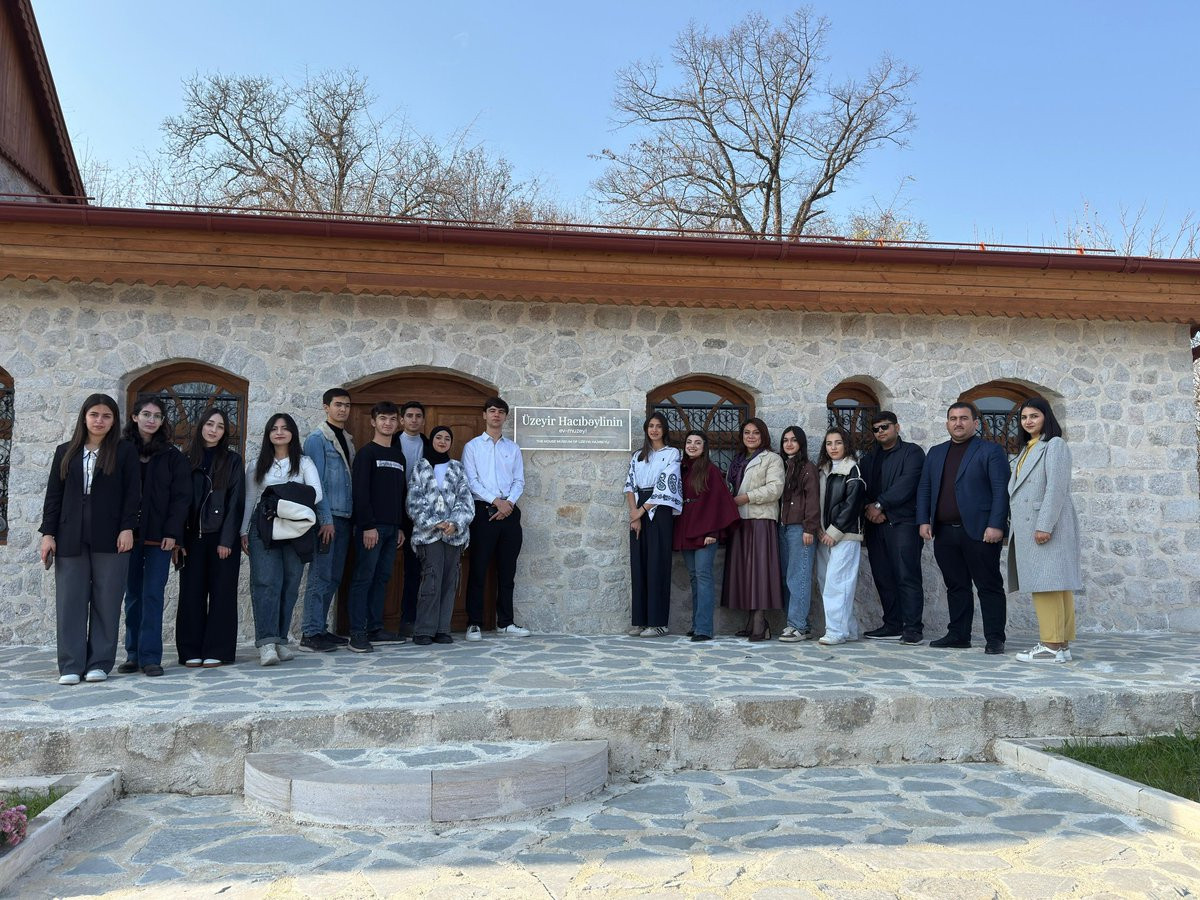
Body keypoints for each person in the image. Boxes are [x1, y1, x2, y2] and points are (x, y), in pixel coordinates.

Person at [40, 394, 140, 685]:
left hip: (111, 534)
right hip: (70, 534)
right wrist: (48, 534)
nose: (99, 421)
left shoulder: (124, 451)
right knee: (70, 600)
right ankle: (71, 664)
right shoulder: (65, 451)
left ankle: (99, 662)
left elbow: (133, 493)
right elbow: (53, 496)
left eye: (106, 416)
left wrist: (127, 528)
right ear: (84, 417)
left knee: (107, 599)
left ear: (114, 420)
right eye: (94, 414)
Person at [916, 402, 1010, 654]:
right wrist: (924, 520)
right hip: (944, 531)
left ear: (975, 423)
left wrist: (996, 525)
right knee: (956, 586)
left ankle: (995, 638)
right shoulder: (936, 452)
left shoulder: (991, 451)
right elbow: (925, 488)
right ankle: (959, 635)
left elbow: (1001, 491)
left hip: (981, 531)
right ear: (947, 423)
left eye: (964, 418)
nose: (958, 423)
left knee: (988, 586)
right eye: (953, 418)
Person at [241, 413, 323, 666]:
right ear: (268, 434)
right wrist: (243, 531)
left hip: (296, 528)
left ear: (292, 434)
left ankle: (280, 640)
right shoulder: (257, 465)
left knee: (290, 584)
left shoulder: (304, 463)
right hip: (263, 527)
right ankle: (266, 643)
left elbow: (317, 494)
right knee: (266, 582)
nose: (279, 432)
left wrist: (278, 496)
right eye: (274, 428)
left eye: (285, 428)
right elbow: (249, 498)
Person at [119, 395, 190, 677]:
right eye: (146, 414)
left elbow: (181, 499)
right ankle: (132, 654)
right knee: (132, 596)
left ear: (162, 421)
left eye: (157, 416)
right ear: (135, 417)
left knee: (152, 595)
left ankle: (150, 657)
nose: (151, 420)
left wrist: (173, 534)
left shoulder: (172, 456)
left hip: (160, 538)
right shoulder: (121, 451)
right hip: (127, 536)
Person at [1007, 397, 1082, 663]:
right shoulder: (1027, 449)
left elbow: (1056, 488)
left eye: (1034, 416)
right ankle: (1061, 646)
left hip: (1045, 527)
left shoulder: (1054, 445)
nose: (1028, 421)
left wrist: (1044, 525)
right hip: (1032, 527)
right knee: (1054, 584)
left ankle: (1050, 645)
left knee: (1047, 584)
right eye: (1024, 417)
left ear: (1046, 417)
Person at [176, 407, 245, 668]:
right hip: (191, 537)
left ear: (225, 432)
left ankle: (218, 649)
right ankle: (190, 649)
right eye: (210, 424)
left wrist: (227, 540)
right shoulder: (185, 459)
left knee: (222, 593)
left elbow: (236, 502)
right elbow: (178, 501)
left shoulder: (232, 460)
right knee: (191, 593)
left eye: (220, 426)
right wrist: (178, 540)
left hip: (221, 537)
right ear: (201, 426)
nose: (214, 430)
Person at [462, 396, 531, 641]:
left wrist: (508, 503)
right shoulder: (472, 447)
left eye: (501, 412)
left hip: (509, 512)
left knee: (507, 571)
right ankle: (474, 623)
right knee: (478, 569)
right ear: (484, 415)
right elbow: (471, 481)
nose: (496, 415)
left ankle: (505, 622)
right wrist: (495, 501)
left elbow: (519, 480)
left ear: (505, 417)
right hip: (484, 512)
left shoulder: (512, 448)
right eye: (492, 411)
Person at [859, 411, 927, 644]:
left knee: (907, 575)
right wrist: (870, 509)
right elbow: (862, 488)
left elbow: (907, 483)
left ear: (897, 427)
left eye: (885, 427)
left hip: (903, 523)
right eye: (876, 429)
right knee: (883, 576)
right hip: (875, 525)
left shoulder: (912, 452)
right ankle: (892, 624)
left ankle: (913, 628)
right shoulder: (869, 459)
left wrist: (881, 505)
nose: (880, 432)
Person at [346, 401, 408, 653]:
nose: (387, 423)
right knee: (363, 578)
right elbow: (360, 493)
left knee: (382, 578)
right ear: (373, 421)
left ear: (398, 422)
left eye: (392, 419)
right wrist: (367, 526)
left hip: (392, 529)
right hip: (371, 529)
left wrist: (400, 526)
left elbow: (400, 493)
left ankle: (375, 628)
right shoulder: (366, 453)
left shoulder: (398, 456)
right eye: (383, 418)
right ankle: (357, 633)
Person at [299, 388, 355, 653]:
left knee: (333, 577)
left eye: (346, 405)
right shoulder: (317, 439)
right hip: (327, 519)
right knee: (320, 575)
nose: (343, 409)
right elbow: (315, 484)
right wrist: (325, 520)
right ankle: (310, 633)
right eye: (338, 404)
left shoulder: (347, 439)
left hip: (344, 517)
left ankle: (320, 629)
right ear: (326, 407)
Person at [407, 426, 474, 646]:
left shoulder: (457, 468)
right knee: (432, 580)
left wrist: (455, 523)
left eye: (447, 438)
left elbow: (465, 499)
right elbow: (414, 500)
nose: (443, 441)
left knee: (449, 581)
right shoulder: (421, 467)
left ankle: (443, 629)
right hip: (429, 535)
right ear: (432, 440)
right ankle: (424, 630)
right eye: (439, 437)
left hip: (453, 535)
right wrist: (435, 522)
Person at [722, 417, 785, 641]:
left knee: (760, 571)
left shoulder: (772, 458)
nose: (750, 436)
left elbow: (775, 488)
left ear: (763, 435)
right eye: (747, 432)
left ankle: (760, 621)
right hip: (739, 520)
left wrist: (747, 497)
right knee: (745, 572)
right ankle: (751, 621)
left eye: (756, 432)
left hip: (760, 519)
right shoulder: (737, 460)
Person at [672, 430, 739, 642]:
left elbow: (719, 503)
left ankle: (704, 629)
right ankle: (696, 625)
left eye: (697, 443)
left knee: (703, 576)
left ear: (704, 447)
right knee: (694, 577)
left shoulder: (710, 470)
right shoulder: (680, 469)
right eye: (689, 442)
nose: (692, 446)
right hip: (686, 527)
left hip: (706, 530)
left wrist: (713, 532)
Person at [624, 413, 683, 637]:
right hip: (639, 508)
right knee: (639, 564)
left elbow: (665, 486)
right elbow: (630, 485)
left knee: (657, 564)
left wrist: (640, 511)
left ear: (664, 429)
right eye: (651, 426)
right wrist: (635, 516)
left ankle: (658, 623)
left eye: (658, 426)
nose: (654, 430)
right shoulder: (638, 456)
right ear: (646, 429)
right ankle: (641, 621)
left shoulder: (672, 453)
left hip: (659, 509)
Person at [815, 427, 867, 646]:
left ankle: (835, 631)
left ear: (846, 445)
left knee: (838, 584)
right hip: (823, 535)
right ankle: (849, 629)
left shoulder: (852, 469)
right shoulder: (823, 470)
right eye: (829, 443)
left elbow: (852, 504)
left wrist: (834, 531)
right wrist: (820, 529)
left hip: (845, 535)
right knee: (826, 582)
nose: (833, 447)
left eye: (838, 443)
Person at [777, 426, 820, 643]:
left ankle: (798, 626)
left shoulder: (807, 468)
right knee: (788, 577)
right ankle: (799, 623)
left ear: (801, 443)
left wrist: (809, 528)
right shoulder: (782, 466)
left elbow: (813, 499)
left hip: (800, 529)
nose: (789, 444)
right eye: (785, 440)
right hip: (783, 527)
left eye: (793, 440)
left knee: (799, 577)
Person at [396, 400, 431, 637]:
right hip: (395, 512)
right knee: (384, 570)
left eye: (418, 416)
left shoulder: (430, 445)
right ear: (402, 419)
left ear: (423, 420)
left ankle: (411, 620)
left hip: (421, 515)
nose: (414, 419)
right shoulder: (391, 443)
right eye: (409, 415)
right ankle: (376, 623)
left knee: (416, 569)